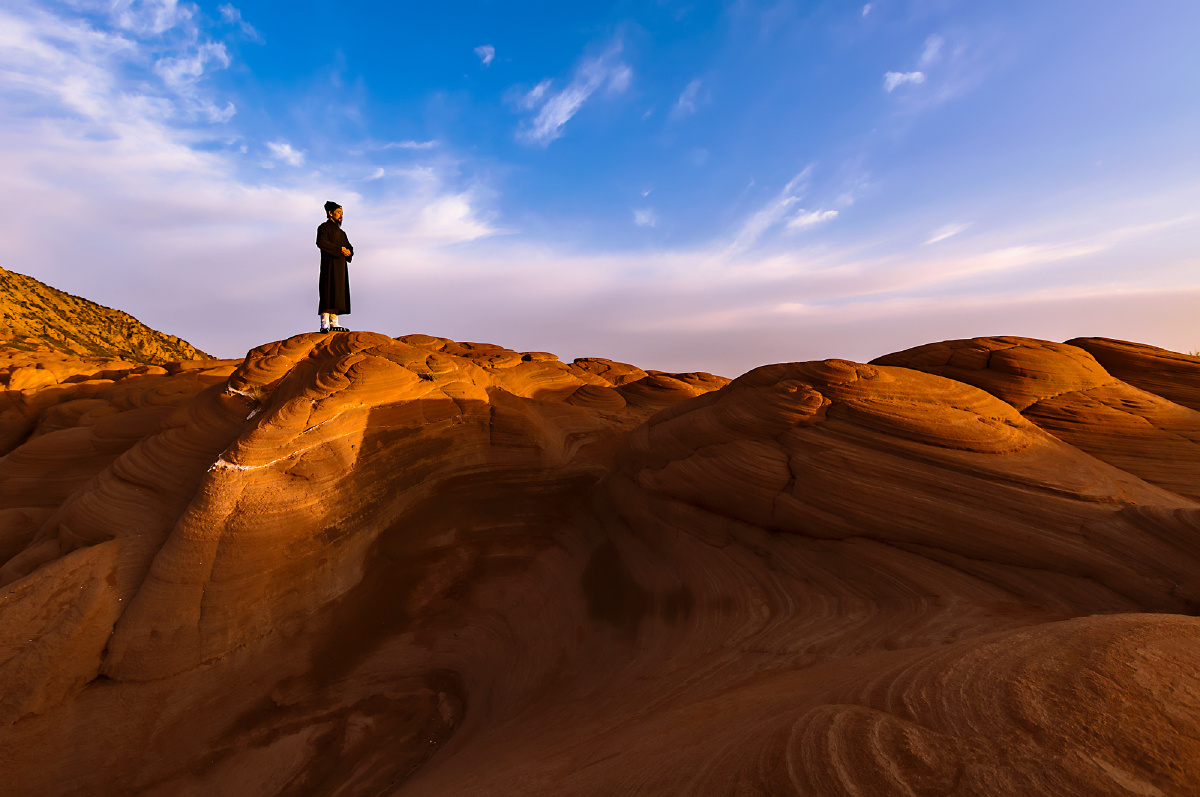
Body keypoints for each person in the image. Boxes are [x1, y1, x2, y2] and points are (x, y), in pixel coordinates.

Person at [316, 200, 354, 332]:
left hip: (340, 267)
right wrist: (339, 249)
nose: (340, 215)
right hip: (329, 265)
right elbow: (321, 242)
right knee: (328, 291)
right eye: (338, 212)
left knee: (338, 292)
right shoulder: (323, 228)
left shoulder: (342, 233)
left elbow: (349, 247)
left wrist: (348, 252)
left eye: (342, 213)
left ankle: (334, 323)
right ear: (330, 213)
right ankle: (324, 324)